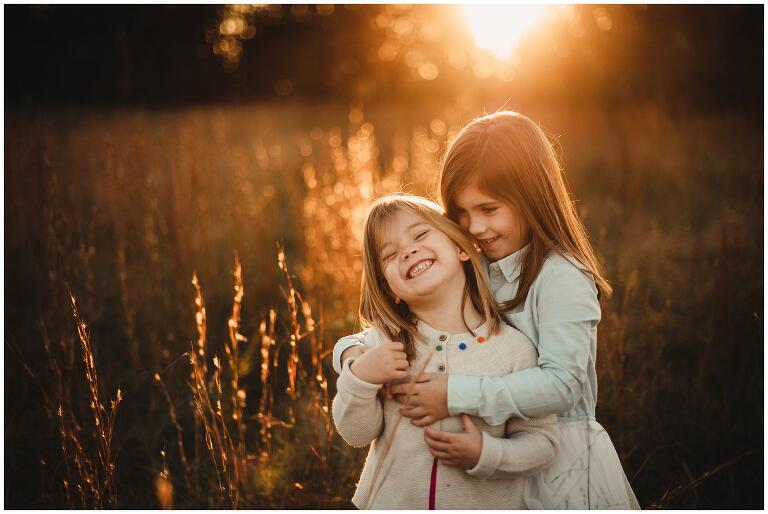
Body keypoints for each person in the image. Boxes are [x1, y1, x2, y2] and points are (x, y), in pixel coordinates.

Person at [334, 111, 640, 509]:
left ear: (532, 197)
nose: (475, 227)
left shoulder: (562, 277)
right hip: (485, 476)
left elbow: (564, 385)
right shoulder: (480, 266)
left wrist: (454, 395)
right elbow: (394, 329)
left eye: (489, 210)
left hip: (560, 466)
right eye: (461, 214)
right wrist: (353, 355)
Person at [332, 194, 559, 509]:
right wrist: (360, 377)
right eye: (391, 254)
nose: (408, 251)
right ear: (388, 288)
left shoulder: (514, 350)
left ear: (461, 247)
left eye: (421, 234)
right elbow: (355, 433)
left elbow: (543, 442)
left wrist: (486, 453)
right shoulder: (387, 343)